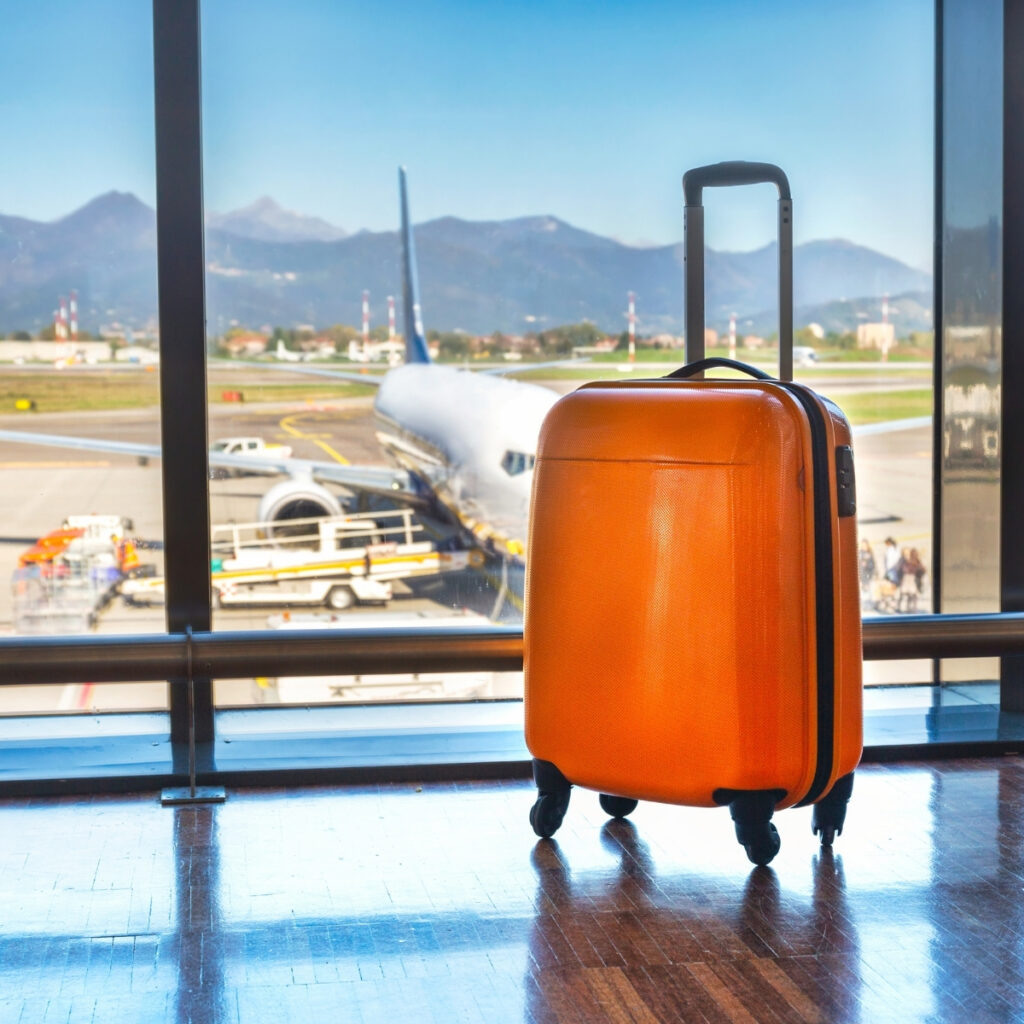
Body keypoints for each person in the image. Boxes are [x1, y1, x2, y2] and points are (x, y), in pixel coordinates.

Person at [898, 547, 926, 613]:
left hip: (906, 578)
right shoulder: (917, 561)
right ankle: (913, 608)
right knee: (913, 595)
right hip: (912, 579)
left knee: (905, 594)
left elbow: (902, 569)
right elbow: (923, 570)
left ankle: (902, 607)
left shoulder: (908, 561)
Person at [858, 538, 876, 608]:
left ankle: (868, 605)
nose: (863, 546)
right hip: (861, 575)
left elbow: (873, 565)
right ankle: (863, 605)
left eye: (865, 545)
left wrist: (867, 564)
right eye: (862, 545)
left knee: (868, 590)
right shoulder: (859, 553)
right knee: (862, 590)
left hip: (868, 575)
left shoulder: (870, 554)